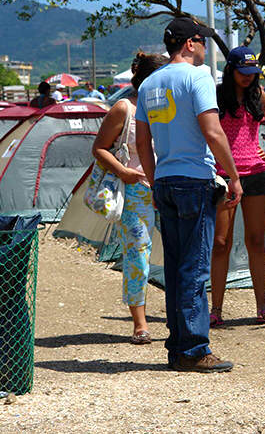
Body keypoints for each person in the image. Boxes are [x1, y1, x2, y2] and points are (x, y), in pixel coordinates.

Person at [136, 17, 243, 373]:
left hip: (165, 180)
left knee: (175, 268)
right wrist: (234, 175)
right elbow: (212, 132)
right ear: (189, 44)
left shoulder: (148, 83)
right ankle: (196, 349)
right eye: (202, 41)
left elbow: (141, 142)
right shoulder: (198, 77)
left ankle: (178, 347)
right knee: (195, 268)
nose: (205, 48)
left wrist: (154, 182)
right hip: (195, 179)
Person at [92, 51, 168, 345]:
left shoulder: (168, 106)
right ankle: (140, 322)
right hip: (136, 189)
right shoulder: (124, 108)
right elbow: (99, 147)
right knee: (137, 254)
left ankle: (179, 315)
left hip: (169, 184)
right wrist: (123, 171)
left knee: (177, 250)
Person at [209, 47, 265, 327]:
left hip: (256, 174)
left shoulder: (258, 95)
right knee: (220, 243)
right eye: (243, 72)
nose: (248, 78)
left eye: (253, 74)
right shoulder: (216, 95)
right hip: (223, 174)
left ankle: (262, 306)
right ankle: (216, 308)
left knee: (256, 241)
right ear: (230, 70)